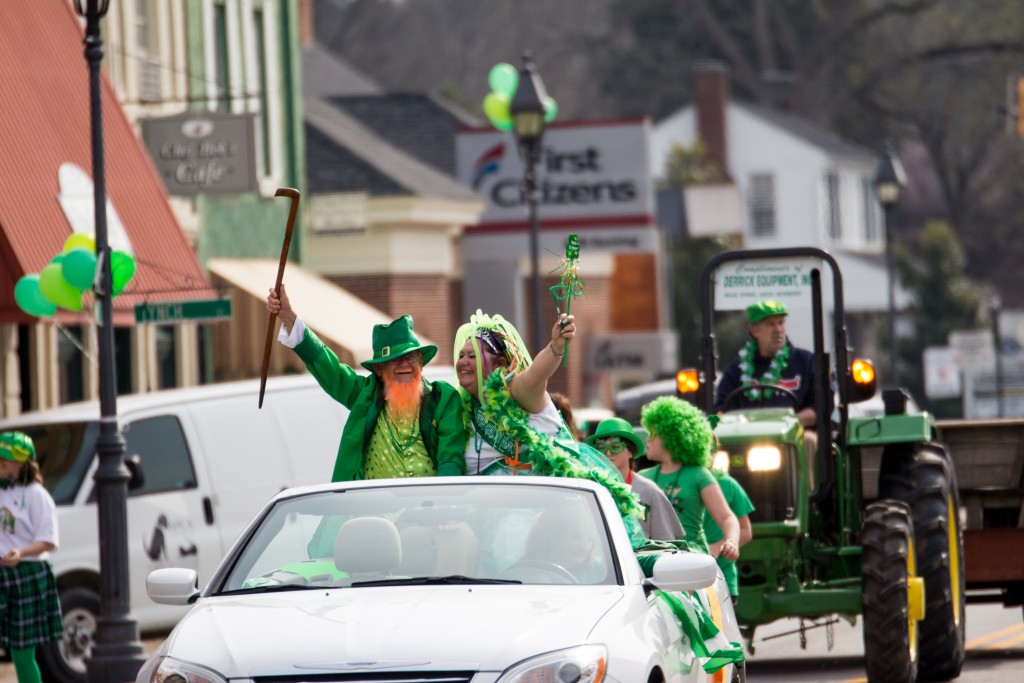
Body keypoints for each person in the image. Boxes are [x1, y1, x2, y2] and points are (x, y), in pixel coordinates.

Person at [267, 284, 467, 481]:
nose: (404, 364)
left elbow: (451, 459)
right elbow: (328, 367)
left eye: (410, 357)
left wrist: (444, 501)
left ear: (421, 361)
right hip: (374, 511)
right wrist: (289, 317)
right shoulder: (364, 395)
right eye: (394, 359)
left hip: (429, 507)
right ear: (379, 369)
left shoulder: (443, 398)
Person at [638, 396, 740, 561]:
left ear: (672, 436)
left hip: (692, 562)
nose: (648, 439)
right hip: (652, 562)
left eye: (653, 433)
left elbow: (727, 517)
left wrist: (732, 541)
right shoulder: (642, 478)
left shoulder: (698, 474)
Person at [713, 299, 818, 454]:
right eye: (770, 324)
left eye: (781, 323)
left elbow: (820, 407)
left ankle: (805, 479)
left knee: (809, 440)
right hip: (746, 439)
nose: (778, 330)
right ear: (754, 331)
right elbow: (720, 410)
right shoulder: (737, 369)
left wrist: (791, 422)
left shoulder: (806, 361)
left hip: (793, 437)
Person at [0, 432, 62, 683]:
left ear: (21, 464)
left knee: (22, 654)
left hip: (26, 575)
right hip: (3, 574)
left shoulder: (38, 495)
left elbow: (49, 540)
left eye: (4, 460)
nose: (0, 464)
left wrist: (22, 552)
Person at [586, 417, 683, 542]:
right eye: (601, 447)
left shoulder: (650, 492)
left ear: (631, 452)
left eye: (615, 446)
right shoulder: (590, 489)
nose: (608, 453)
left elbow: (666, 544)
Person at [703, 468, 754, 603]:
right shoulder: (672, 485)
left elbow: (745, 531)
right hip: (679, 581)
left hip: (721, 582)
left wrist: (718, 546)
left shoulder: (728, 484)